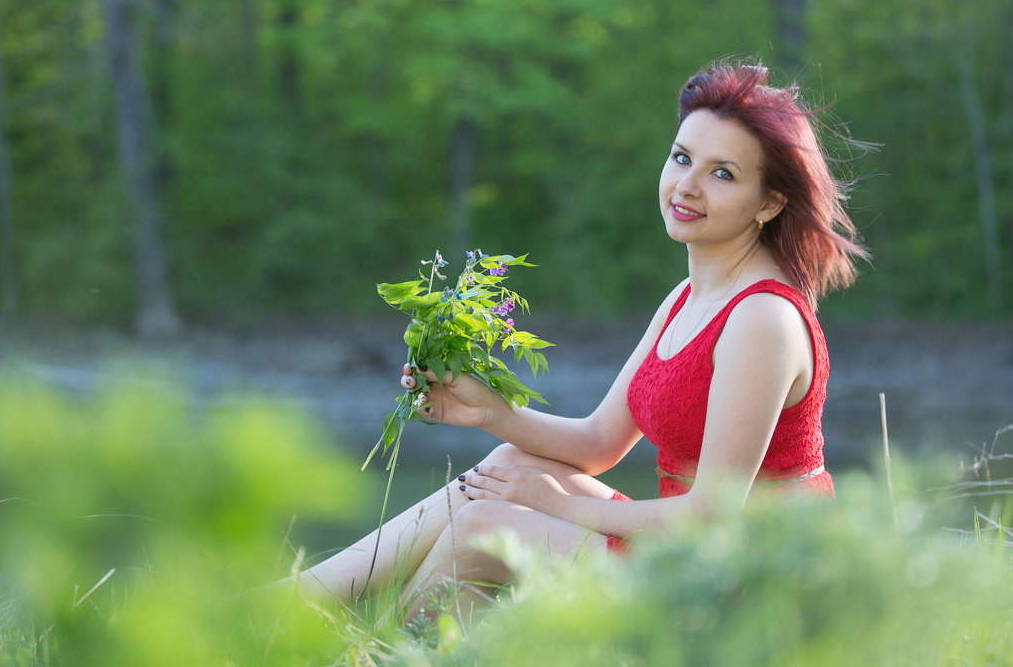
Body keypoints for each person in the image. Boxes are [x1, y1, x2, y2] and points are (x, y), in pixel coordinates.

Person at [286, 58, 869, 620]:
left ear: (769, 202)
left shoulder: (761, 318)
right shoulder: (688, 298)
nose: (686, 186)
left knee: (485, 527)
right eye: (681, 158)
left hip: (753, 580)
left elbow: (712, 517)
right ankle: (287, 605)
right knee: (504, 466)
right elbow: (598, 443)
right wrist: (488, 410)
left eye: (722, 173)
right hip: (689, 551)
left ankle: (360, 644)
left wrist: (556, 505)